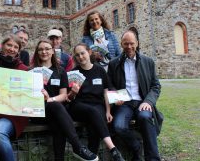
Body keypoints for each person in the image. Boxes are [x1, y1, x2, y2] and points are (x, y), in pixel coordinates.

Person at [31, 39, 98, 161]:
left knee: (58, 119)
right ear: (37, 52)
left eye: (47, 48)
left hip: (55, 111)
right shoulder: (31, 70)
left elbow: (63, 95)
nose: (44, 51)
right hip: (38, 111)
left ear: (52, 51)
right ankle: (78, 147)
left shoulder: (60, 71)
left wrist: (49, 99)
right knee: (57, 107)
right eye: (40, 49)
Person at [107, 30, 162, 161]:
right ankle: (136, 146)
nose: (129, 47)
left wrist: (148, 102)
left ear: (137, 43)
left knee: (145, 117)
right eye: (126, 44)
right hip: (125, 104)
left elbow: (156, 86)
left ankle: (153, 158)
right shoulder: (114, 63)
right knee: (118, 126)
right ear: (121, 44)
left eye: (132, 43)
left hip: (142, 102)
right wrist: (116, 97)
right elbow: (110, 85)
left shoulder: (148, 62)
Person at [67, 43, 125, 161]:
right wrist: (73, 92)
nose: (80, 57)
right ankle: (113, 149)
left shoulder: (99, 70)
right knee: (94, 112)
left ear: (89, 52)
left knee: (95, 123)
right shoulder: (73, 73)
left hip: (97, 105)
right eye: (77, 55)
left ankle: (92, 157)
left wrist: (108, 111)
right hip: (79, 106)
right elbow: (69, 98)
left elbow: (105, 92)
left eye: (82, 53)